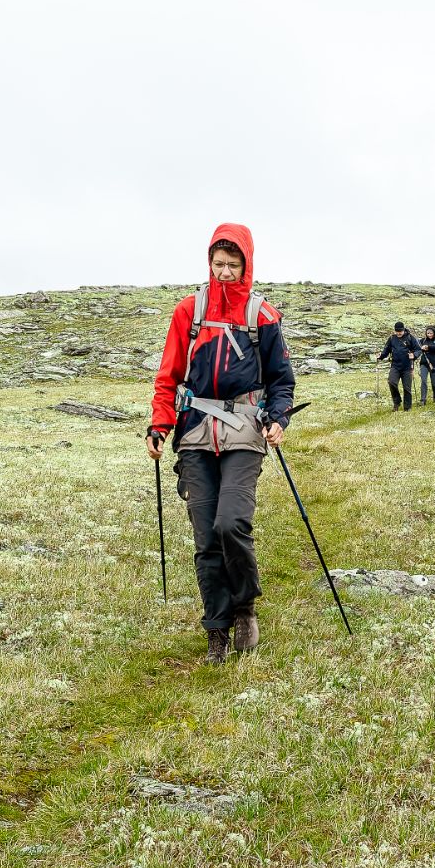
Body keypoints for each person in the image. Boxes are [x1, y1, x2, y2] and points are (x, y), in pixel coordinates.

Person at [146, 224, 296, 663]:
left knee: (230, 523)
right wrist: (159, 424)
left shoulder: (263, 316)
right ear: (208, 263)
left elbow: (281, 380)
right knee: (205, 537)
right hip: (194, 434)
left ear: (246, 264)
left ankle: (245, 607)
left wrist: (278, 417)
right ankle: (217, 630)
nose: (225, 272)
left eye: (233, 265)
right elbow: (168, 376)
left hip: (245, 433)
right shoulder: (188, 312)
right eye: (218, 264)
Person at [376, 322, 419, 411]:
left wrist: (414, 355)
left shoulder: (410, 338)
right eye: (397, 331)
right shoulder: (392, 338)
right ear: (394, 330)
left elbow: (418, 349)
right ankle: (397, 402)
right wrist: (381, 356)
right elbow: (386, 350)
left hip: (407, 366)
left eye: (400, 331)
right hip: (395, 366)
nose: (399, 333)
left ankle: (407, 407)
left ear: (404, 330)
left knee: (407, 388)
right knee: (391, 382)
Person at [418, 325, 435, 404]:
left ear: (434, 333)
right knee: (424, 381)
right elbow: (417, 347)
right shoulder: (422, 341)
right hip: (424, 364)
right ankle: (423, 400)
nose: (429, 334)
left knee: (434, 383)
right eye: (428, 333)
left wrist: (428, 347)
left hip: (434, 364)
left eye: (431, 333)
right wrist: (421, 348)